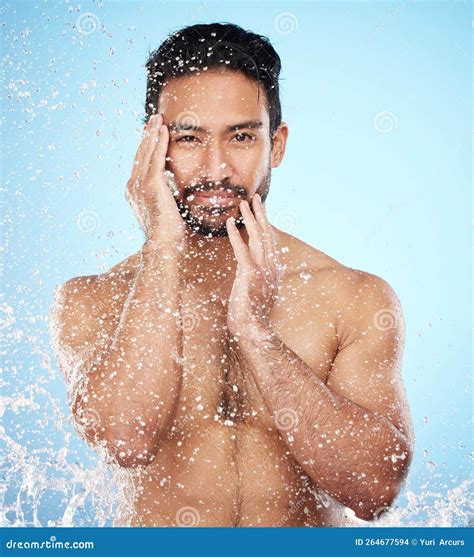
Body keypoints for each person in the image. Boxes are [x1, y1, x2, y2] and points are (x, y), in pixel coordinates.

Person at [49, 22, 414, 527]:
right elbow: (126, 440)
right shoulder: (94, 300)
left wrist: (257, 334)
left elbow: (375, 490)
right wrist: (162, 246)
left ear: (277, 145)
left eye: (241, 136)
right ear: (152, 148)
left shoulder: (353, 299)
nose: (215, 166)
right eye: (189, 137)